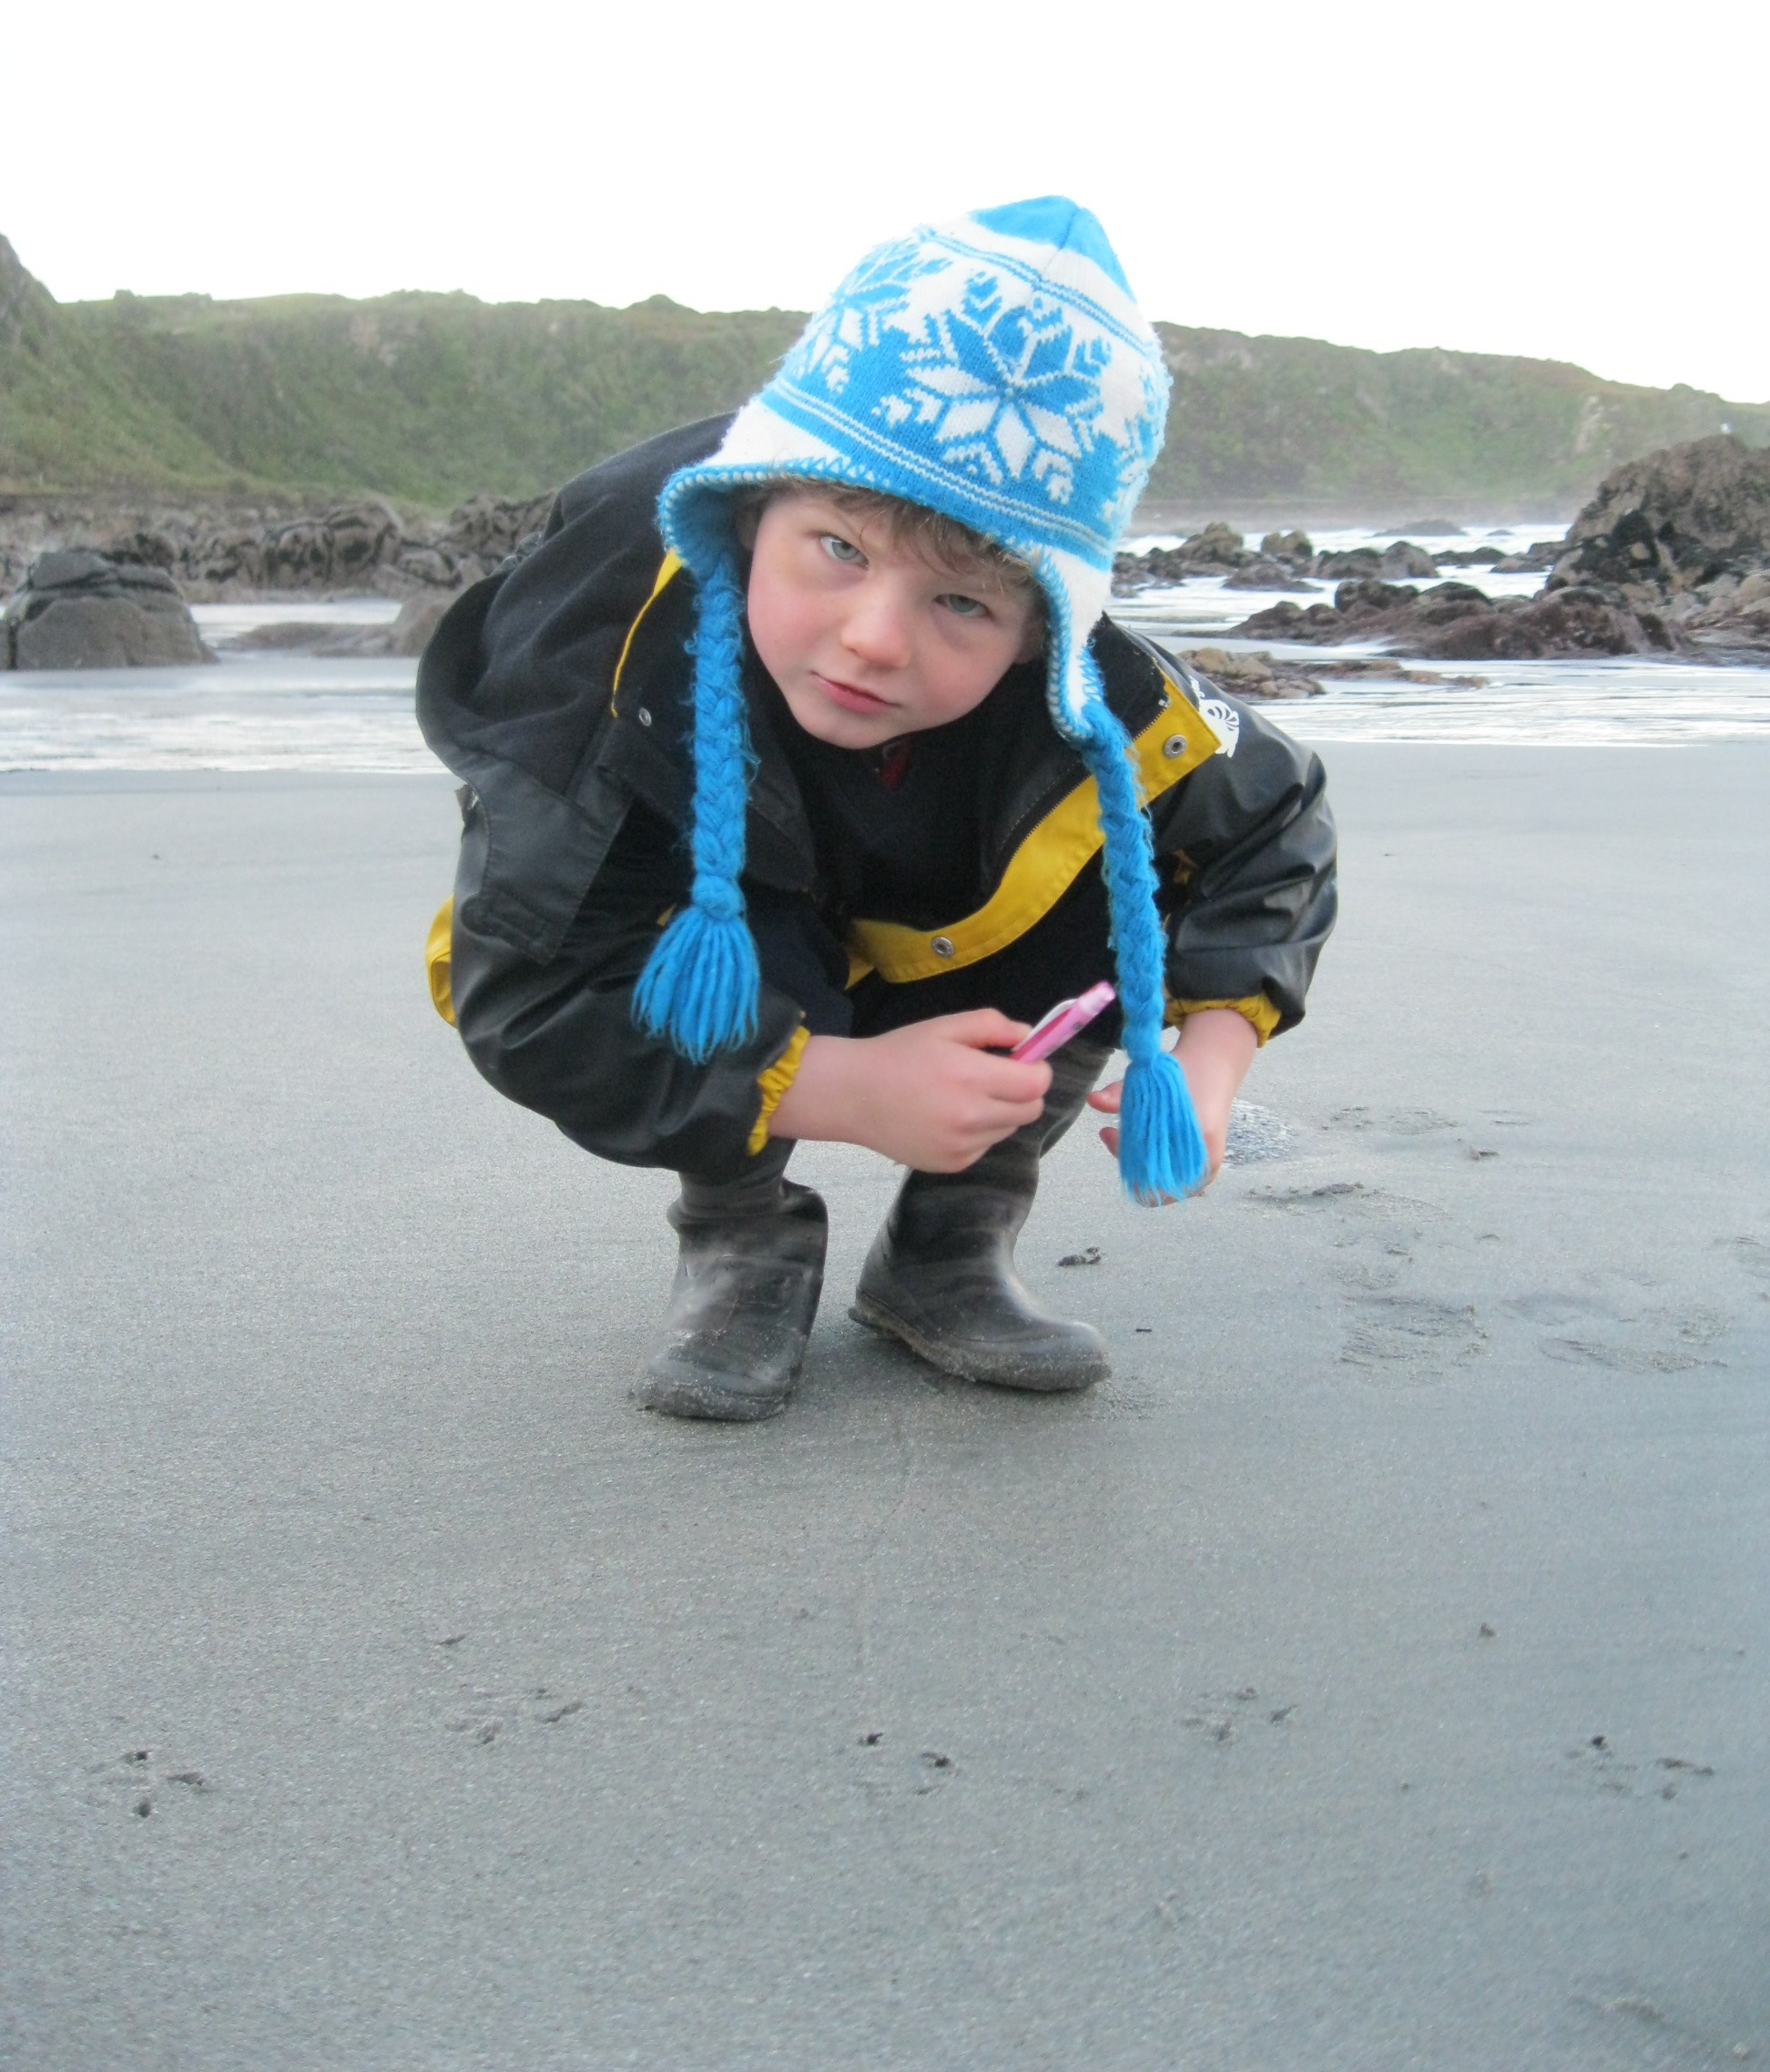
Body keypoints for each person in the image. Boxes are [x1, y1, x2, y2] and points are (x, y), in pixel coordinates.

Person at [417, 198, 1336, 1422]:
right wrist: (840, 1086)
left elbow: (1272, 837)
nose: (873, 639)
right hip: (727, 904)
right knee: (687, 933)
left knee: (1108, 879)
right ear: (751, 515)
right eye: (837, 548)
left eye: (963, 604)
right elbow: (523, 993)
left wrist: (1207, 1068)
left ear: (1038, 636)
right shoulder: (603, 668)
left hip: (939, 928)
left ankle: (950, 1249)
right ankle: (742, 1240)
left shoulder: (1101, 706)